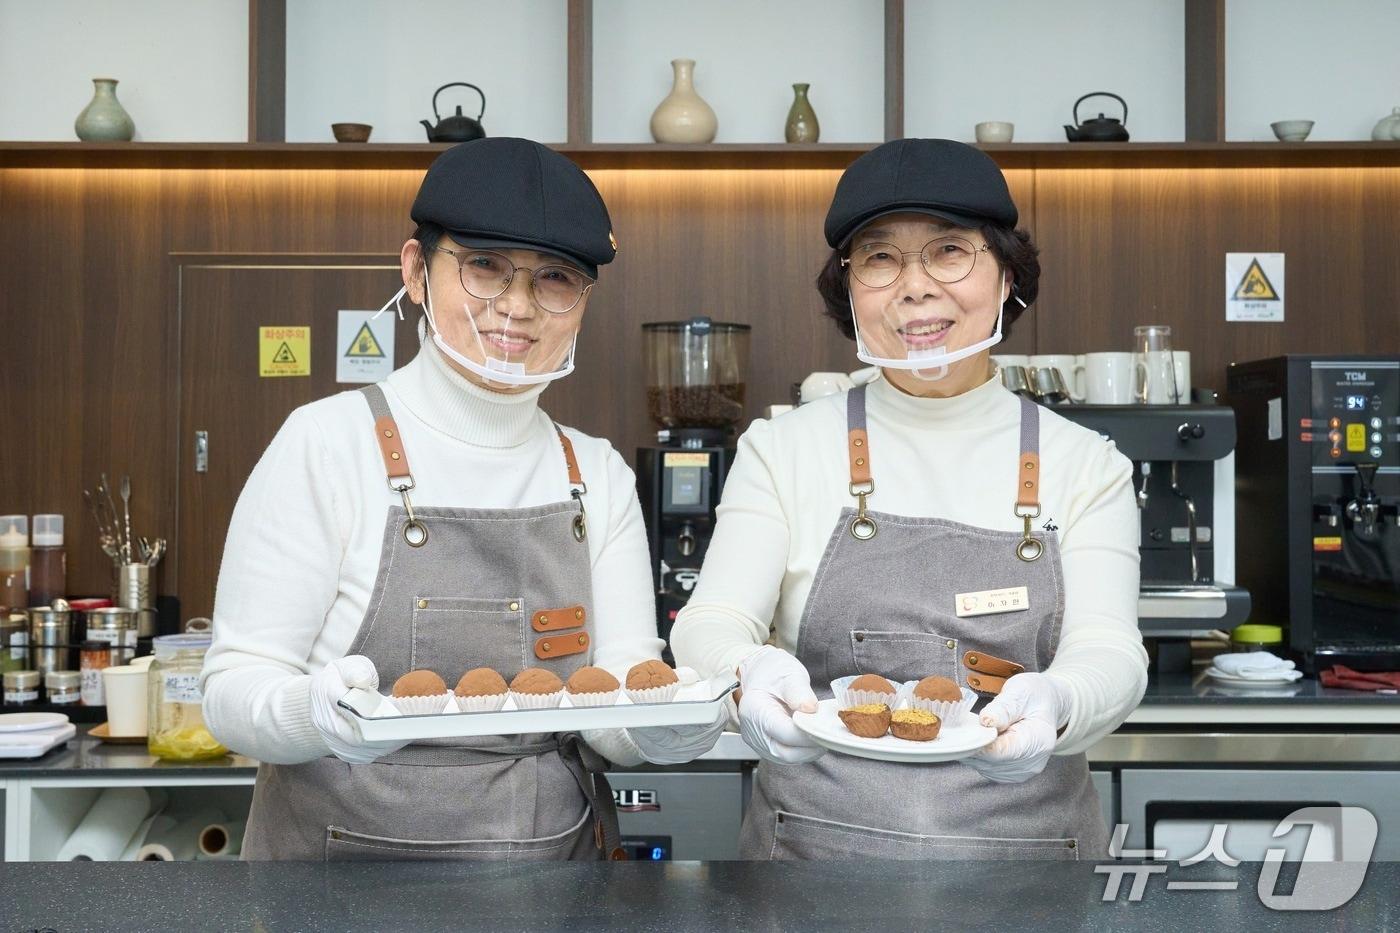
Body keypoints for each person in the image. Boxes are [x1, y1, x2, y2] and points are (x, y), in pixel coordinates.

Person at [203, 138, 723, 861]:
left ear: (582, 302)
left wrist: (667, 725)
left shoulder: (595, 475)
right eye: (484, 267)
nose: (517, 306)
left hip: (553, 883)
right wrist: (311, 713)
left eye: (555, 279)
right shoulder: (325, 444)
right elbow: (231, 689)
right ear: (416, 270)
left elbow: (611, 710)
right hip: (338, 885)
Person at [671, 138, 1147, 859]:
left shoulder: (1088, 465)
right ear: (849, 287)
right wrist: (745, 672)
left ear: (1007, 275)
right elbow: (710, 620)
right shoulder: (784, 449)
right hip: (810, 865)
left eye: (950, 251)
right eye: (881, 258)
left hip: (1034, 871)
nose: (915, 287)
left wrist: (1060, 701)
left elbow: (1110, 651)